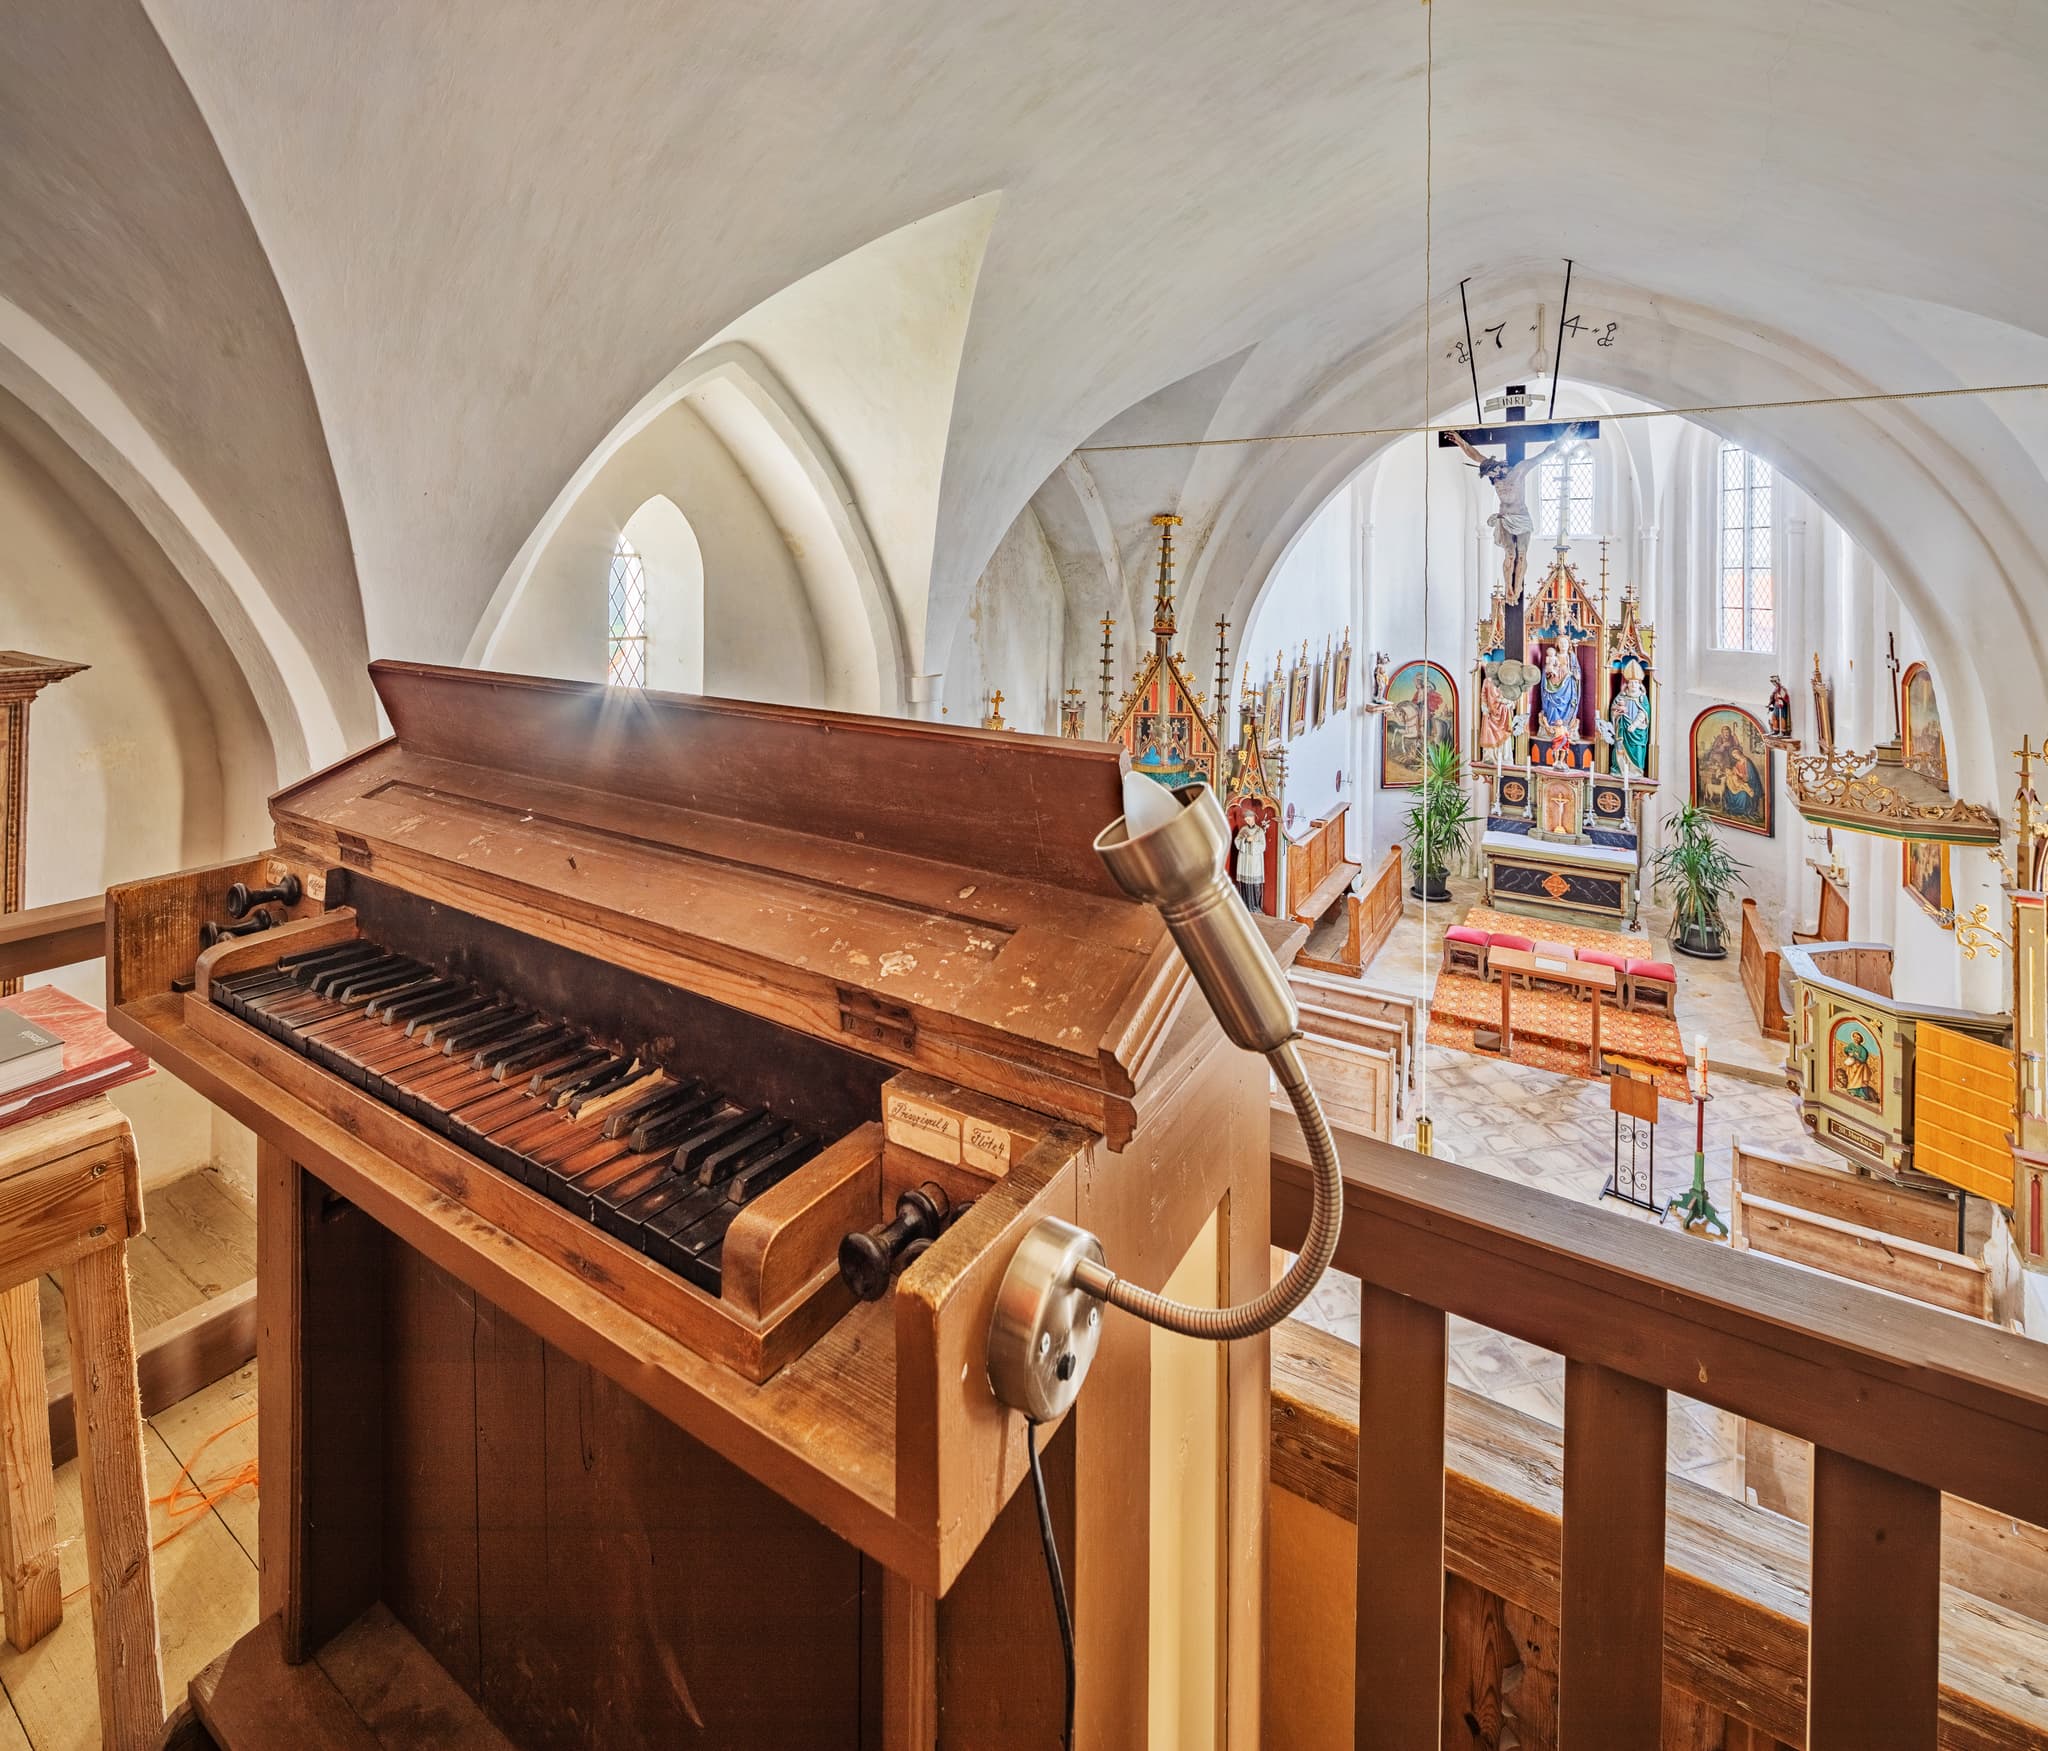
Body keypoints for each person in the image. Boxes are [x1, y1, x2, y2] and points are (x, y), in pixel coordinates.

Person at [1449, 426, 1590, 603]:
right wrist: (1460, 441)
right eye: (1493, 478)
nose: (1495, 480)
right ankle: (1508, 588)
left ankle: (1517, 588)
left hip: (1521, 518)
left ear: (1501, 468)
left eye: (1495, 475)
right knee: (1510, 555)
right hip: (1505, 518)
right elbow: (1475, 455)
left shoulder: (1520, 470)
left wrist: (1566, 437)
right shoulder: (1493, 471)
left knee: (1521, 555)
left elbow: (1546, 454)